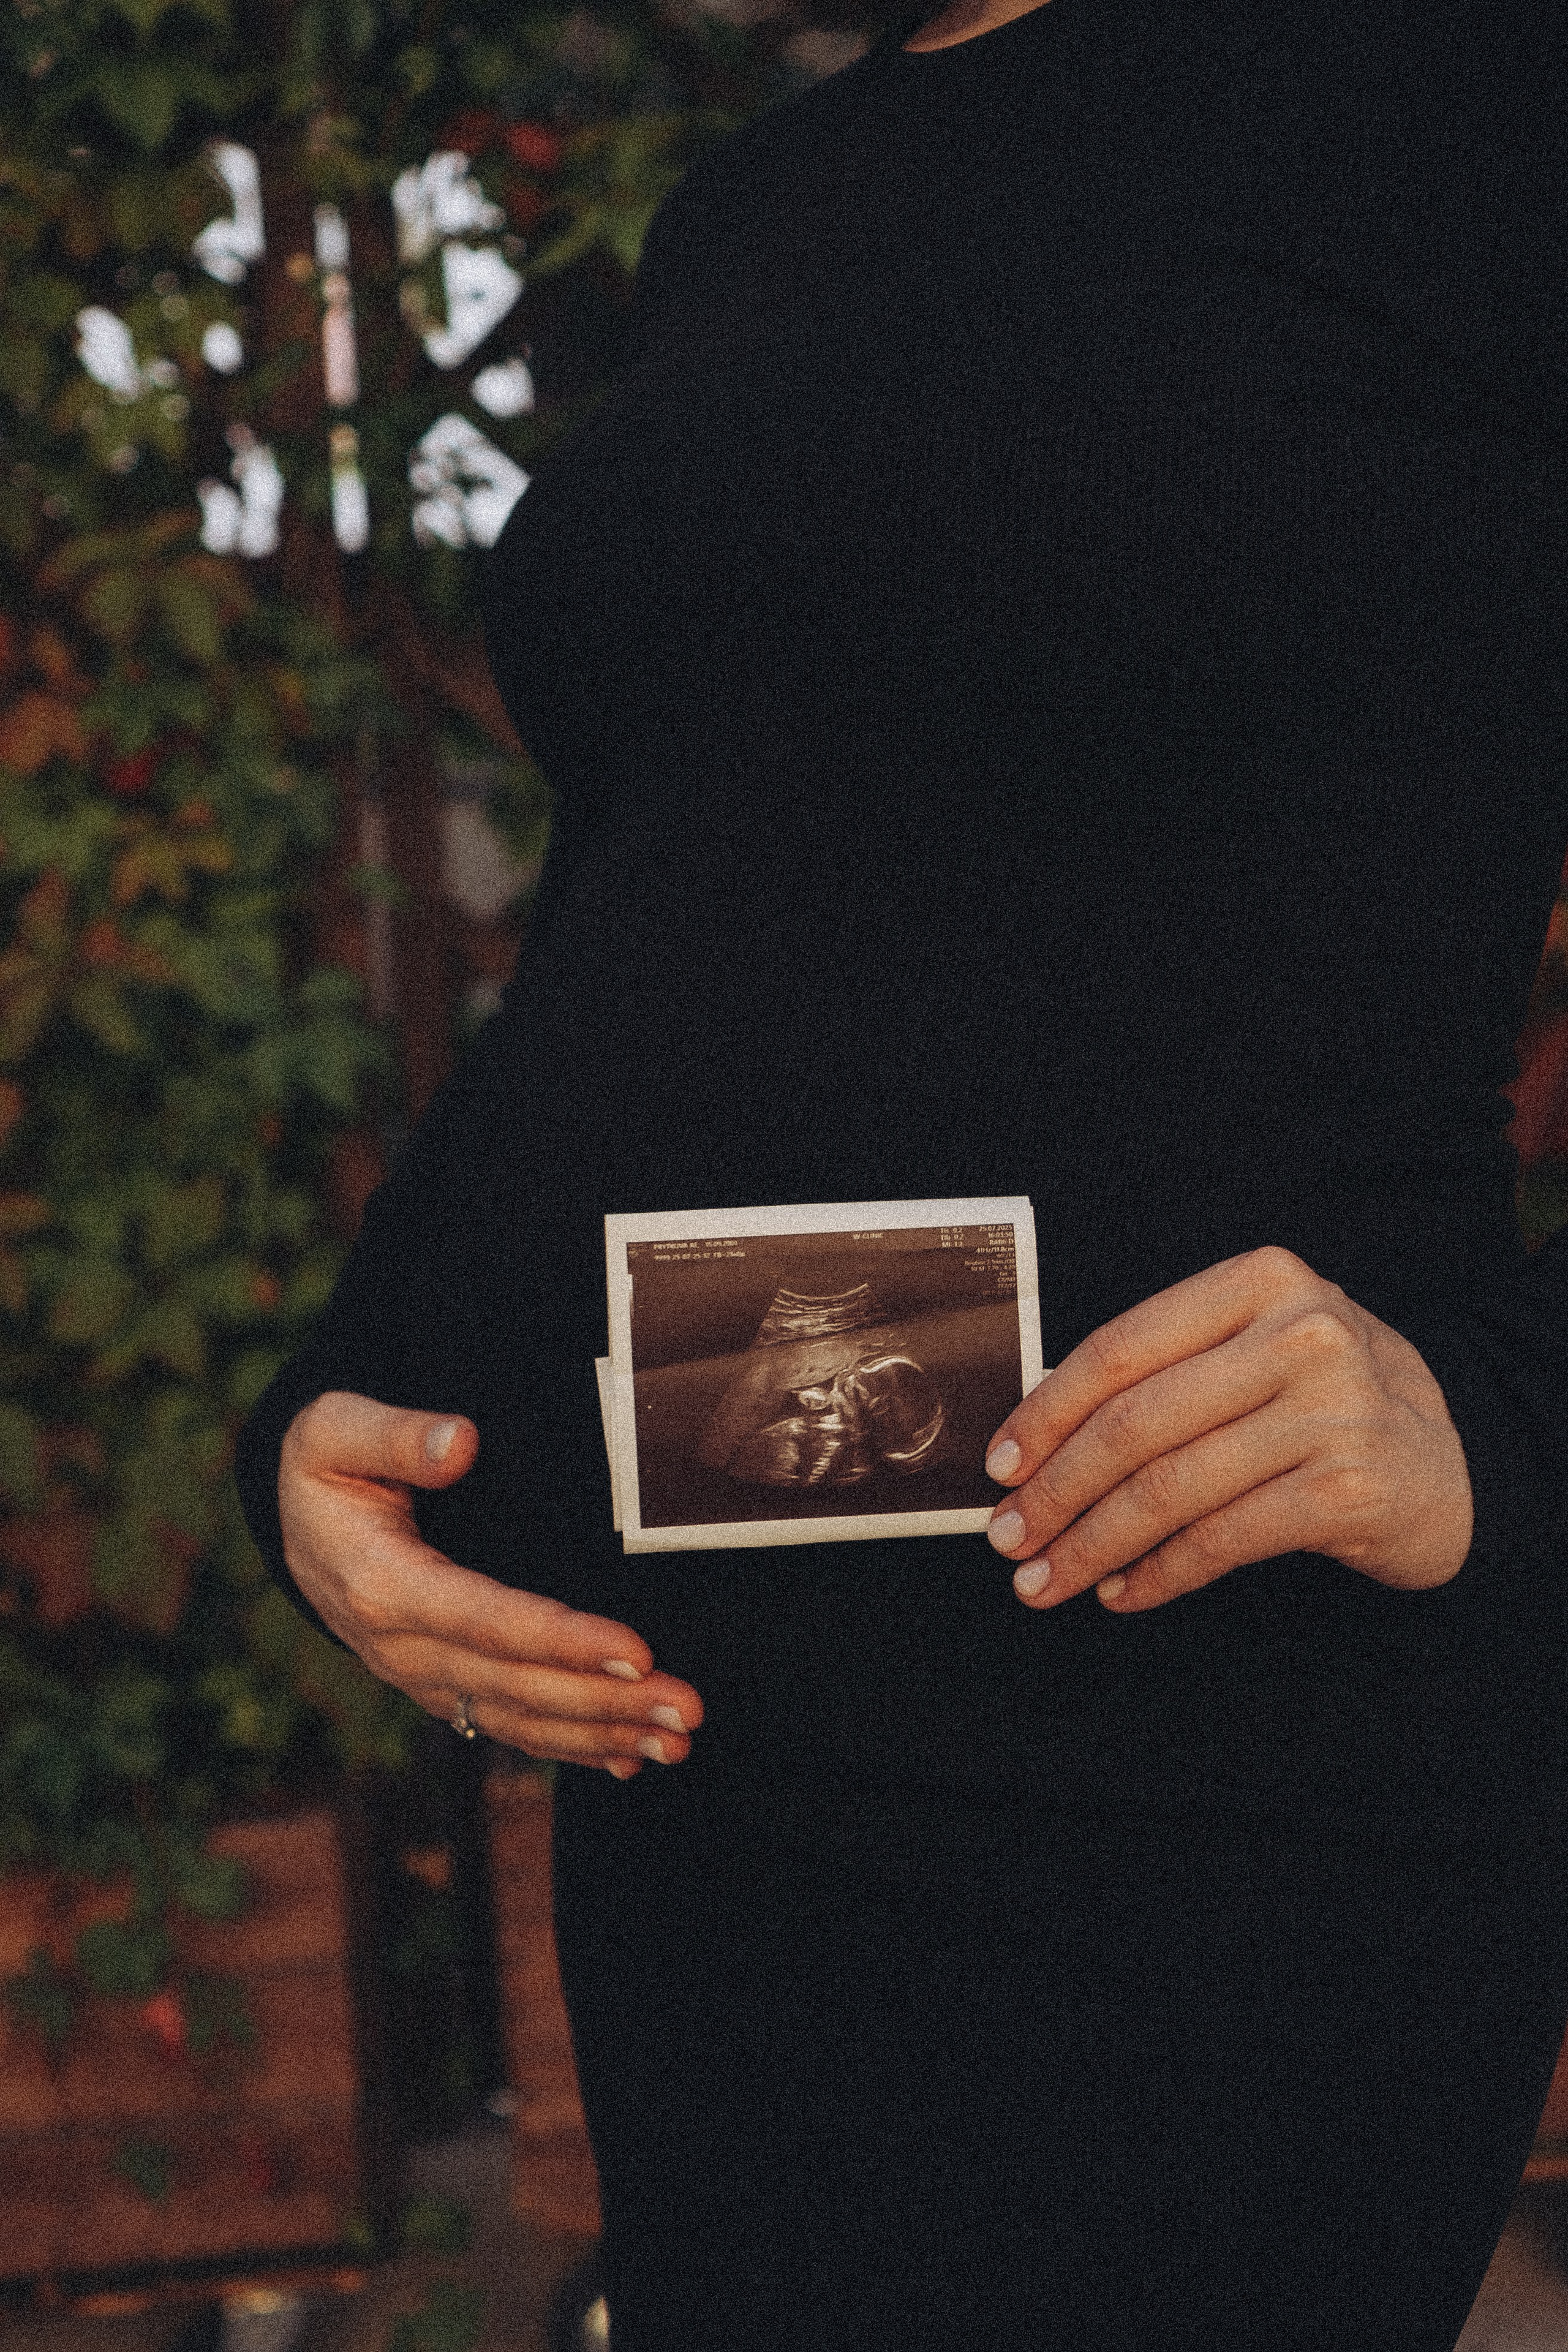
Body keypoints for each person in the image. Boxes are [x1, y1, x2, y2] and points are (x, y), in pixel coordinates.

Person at [236, 0, 1568, 2341]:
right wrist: (344, 1410)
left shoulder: (1477, 91)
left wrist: (1514, 1418)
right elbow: (675, 887)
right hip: (709, 1780)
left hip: (1199, 1764)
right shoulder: (757, 205)